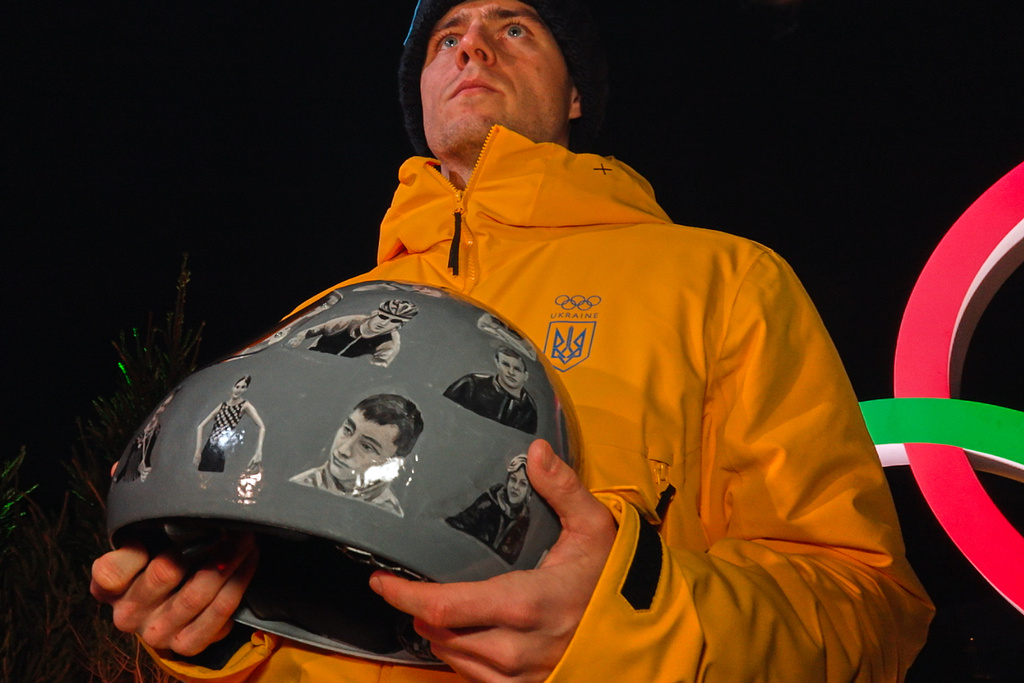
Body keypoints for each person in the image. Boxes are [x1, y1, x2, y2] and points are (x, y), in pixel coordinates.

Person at [91, 1, 934, 681]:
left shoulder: (723, 279)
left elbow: (870, 607)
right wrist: (220, 633)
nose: (473, 49)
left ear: (576, 95)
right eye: (446, 38)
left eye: (514, 27)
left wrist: (629, 620)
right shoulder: (323, 319)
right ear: (421, 98)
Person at [290, 394, 425, 517]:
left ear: (393, 464)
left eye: (366, 446)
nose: (343, 450)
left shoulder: (387, 515)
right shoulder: (299, 486)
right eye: (348, 430)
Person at [446, 454, 533, 563]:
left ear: (529, 493)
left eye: (522, 484)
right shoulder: (488, 503)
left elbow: (510, 562)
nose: (515, 487)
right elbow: (457, 526)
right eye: (513, 480)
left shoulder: (522, 523)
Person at [285, 299, 419, 367]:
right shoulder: (350, 321)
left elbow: (377, 370)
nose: (384, 323)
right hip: (307, 360)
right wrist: (296, 340)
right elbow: (311, 331)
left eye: (394, 321)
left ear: (400, 326)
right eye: (383, 317)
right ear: (374, 314)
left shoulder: (390, 344)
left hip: (338, 376)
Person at [443, 346, 538, 433]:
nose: (511, 372)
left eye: (517, 369)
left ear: (526, 376)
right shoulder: (470, 384)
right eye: (506, 364)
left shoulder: (529, 409)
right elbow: (443, 414)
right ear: (497, 363)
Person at [193, 376, 266, 473]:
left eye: (243, 387)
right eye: (237, 386)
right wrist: (198, 451)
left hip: (222, 449)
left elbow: (262, 427)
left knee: (216, 477)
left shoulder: (244, 405)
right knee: (204, 477)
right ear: (232, 387)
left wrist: (258, 452)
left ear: (246, 389)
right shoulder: (222, 406)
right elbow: (200, 426)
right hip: (209, 448)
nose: (239, 390)